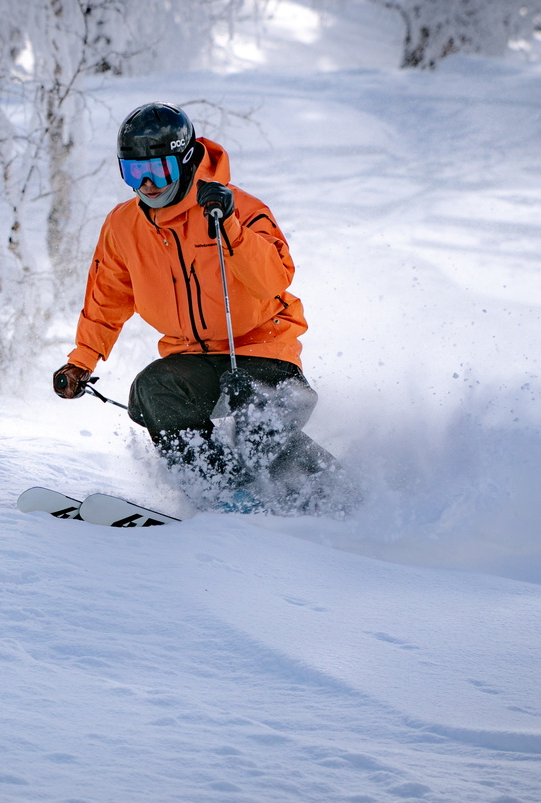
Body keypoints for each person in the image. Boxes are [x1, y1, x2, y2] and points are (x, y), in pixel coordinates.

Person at [52, 102, 357, 516]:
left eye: (156, 171)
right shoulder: (123, 226)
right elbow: (106, 298)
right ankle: (229, 498)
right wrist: (82, 361)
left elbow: (274, 279)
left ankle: (336, 496)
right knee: (152, 390)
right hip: (192, 359)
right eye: (132, 172)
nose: (146, 185)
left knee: (259, 433)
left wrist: (229, 226)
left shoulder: (239, 208)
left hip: (263, 350)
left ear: (184, 160)